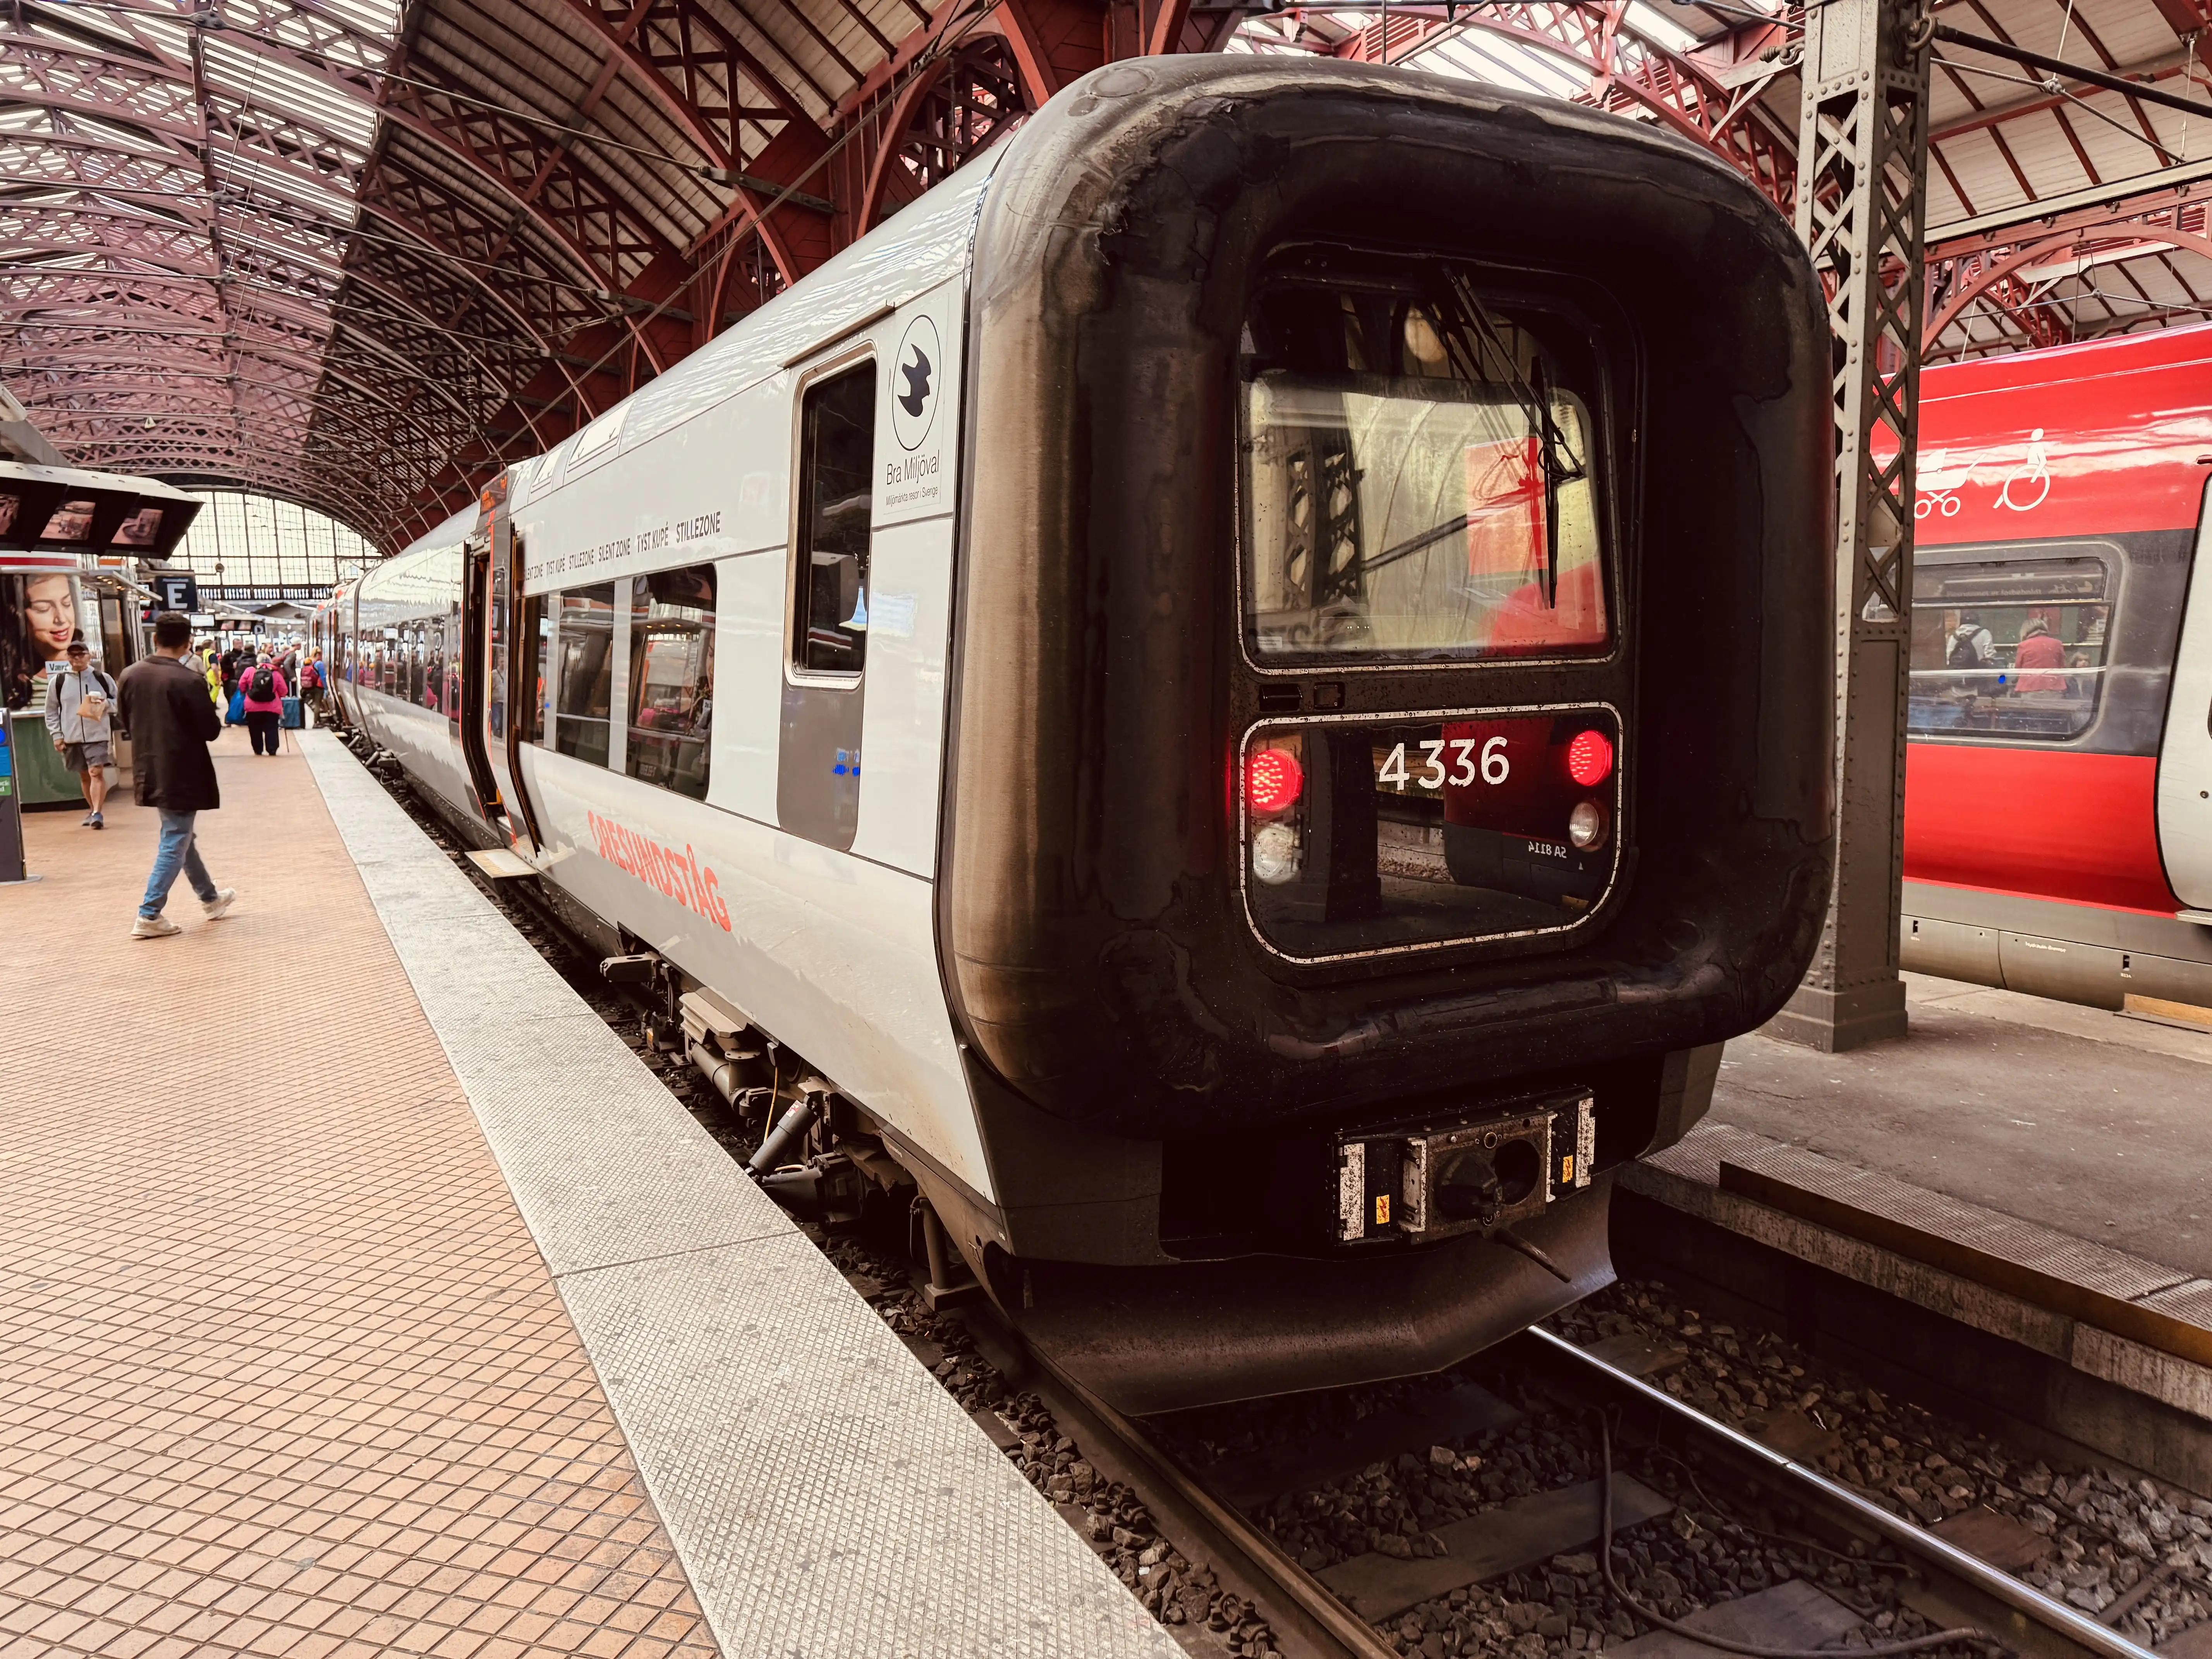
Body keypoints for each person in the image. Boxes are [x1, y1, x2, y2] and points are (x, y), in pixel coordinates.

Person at [116, 611, 235, 939]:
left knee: (182, 836)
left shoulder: (129, 675)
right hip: (182, 771)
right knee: (176, 838)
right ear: (188, 644)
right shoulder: (188, 680)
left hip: (148, 768)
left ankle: (210, 899)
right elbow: (211, 731)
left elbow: (124, 721)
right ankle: (149, 914)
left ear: (155, 639)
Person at [44, 632, 117, 829]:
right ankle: (92, 808)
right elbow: (51, 710)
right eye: (72, 655)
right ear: (67, 657)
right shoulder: (58, 682)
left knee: (96, 772)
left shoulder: (102, 679)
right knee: (84, 775)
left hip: (97, 734)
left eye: (80, 654)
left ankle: (98, 813)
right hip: (71, 736)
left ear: (89, 656)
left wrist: (102, 705)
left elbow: (117, 704)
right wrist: (57, 735)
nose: (76, 658)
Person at [240, 650, 289, 756]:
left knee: (254, 729)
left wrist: (247, 692)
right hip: (272, 707)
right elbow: (284, 691)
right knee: (271, 728)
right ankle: (272, 749)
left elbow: (241, 685)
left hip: (252, 707)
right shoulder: (275, 673)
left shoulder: (250, 671)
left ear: (257, 661)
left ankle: (258, 750)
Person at [2013, 616, 2067, 693]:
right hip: (2054, 687)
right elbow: (2062, 665)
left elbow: (2018, 668)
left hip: (2030, 687)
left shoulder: (2024, 645)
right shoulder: (2057, 644)